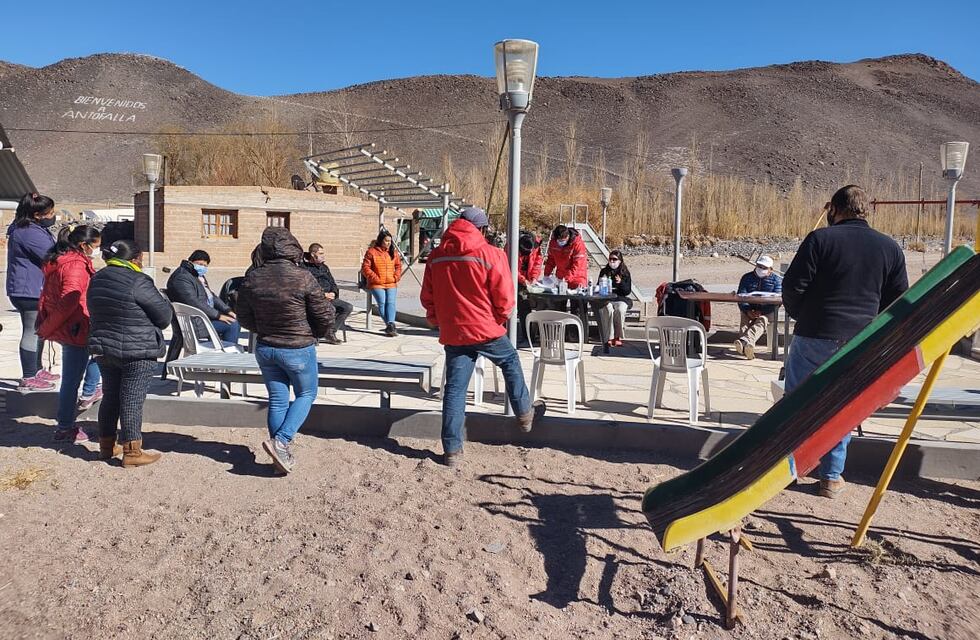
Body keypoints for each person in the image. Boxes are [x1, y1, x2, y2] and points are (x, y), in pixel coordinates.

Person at [782, 185, 908, 498]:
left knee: (796, 406)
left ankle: (788, 471)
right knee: (841, 409)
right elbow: (898, 302)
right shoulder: (889, 248)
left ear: (835, 210)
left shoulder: (820, 240)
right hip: (859, 343)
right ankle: (831, 477)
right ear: (867, 212)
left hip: (813, 336)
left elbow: (792, 287)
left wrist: (805, 315)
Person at [421, 207, 546, 467]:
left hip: (454, 332)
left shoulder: (436, 255)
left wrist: (438, 319)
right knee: (510, 360)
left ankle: (452, 451)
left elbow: (428, 297)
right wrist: (499, 319)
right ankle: (524, 413)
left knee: (454, 391)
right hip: (484, 328)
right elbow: (504, 297)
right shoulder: (490, 254)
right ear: (482, 229)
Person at [237, 227, 334, 474]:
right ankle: (281, 441)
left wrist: (264, 327)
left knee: (278, 400)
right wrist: (318, 333)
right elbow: (323, 315)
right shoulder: (303, 277)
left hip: (267, 347)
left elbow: (244, 318)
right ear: (293, 247)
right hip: (297, 348)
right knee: (307, 394)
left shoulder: (253, 277)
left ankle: (278, 456)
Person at [87, 239, 173, 467]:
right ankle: (132, 452)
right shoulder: (138, 280)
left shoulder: (97, 278)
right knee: (132, 400)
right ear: (135, 259)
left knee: (111, 397)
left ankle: (106, 446)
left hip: (104, 348)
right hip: (138, 350)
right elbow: (164, 316)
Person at [36, 225, 103, 442]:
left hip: (77, 326)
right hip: (75, 328)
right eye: (95, 246)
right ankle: (65, 426)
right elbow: (69, 301)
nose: (96, 250)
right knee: (71, 380)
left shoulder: (63, 260)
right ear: (84, 245)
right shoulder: (75, 266)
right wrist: (47, 328)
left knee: (94, 359)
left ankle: (90, 392)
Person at [5, 192, 58, 389]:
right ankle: (28, 376)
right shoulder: (28, 232)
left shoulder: (30, 228)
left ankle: (36, 369)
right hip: (28, 290)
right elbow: (51, 255)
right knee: (31, 331)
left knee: (39, 330)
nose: (53, 215)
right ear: (37, 215)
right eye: (50, 212)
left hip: (34, 287)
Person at [166, 249, 241, 345]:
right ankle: (229, 355)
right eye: (200, 264)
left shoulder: (196, 275)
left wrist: (228, 311)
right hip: (194, 323)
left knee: (233, 319)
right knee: (232, 325)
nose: (202, 267)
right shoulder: (182, 277)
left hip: (202, 318)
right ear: (191, 262)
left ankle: (221, 350)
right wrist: (218, 316)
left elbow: (211, 296)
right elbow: (193, 302)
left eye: (205, 265)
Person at [734, 255, 783, 360]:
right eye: (759, 266)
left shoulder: (776, 281)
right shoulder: (746, 278)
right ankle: (748, 347)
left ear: (771, 269)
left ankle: (743, 342)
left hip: (768, 311)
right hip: (749, 308)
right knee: (744, 319)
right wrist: (747, 310)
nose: (761, 269)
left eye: (764, 267)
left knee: (762, 320)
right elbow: (741, 296)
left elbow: (777, 301)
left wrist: (761, 311)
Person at [302, 242, 350, 344]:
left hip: (329, 297)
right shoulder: (304, 268)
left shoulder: (324, 268)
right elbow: (307, 287)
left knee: (347, 307)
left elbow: (333, 283)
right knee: (326, 309)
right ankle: (314, 333)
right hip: (315, 299)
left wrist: (333, 292)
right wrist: (323, 295)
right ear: (313, 255)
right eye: (320, 254)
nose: (323, 256)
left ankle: (330, 332)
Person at [361, 229, 402, 337]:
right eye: (386, 241)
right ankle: (390, 325)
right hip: (377, 283)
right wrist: (374, 278)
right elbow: (365, 267)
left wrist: (396, 276)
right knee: (382, 303)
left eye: (390, 241)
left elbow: (398, 266)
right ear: (381, 240)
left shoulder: (393, 252)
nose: (388, 243)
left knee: (391, 303)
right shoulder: (371, 252)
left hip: (391, 282)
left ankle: (390, 324)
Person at [596, 250, 633, 347]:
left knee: (620, 309)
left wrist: (621, 282)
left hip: (620, 298)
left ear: (620, 261)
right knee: (608, 309)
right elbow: (598, 287)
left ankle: (617, 337)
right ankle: (609, 337)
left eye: (614, 259)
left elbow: (627, 291)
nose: (612, 261)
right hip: (607, 298)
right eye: (610, 259)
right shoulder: (604, 272)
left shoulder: (625, 273)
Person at [516, 232, 543, 345]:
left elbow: (537, 262)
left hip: (530, 280)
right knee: (523, 305)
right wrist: (523, 280)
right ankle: (526, 335)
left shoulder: (536, 246)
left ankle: (533, 334)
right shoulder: (512, 246)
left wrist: (534, 278)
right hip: (516, 279)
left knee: (538, 303)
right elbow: (511, 267)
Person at [543, 224, 588, 289]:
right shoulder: (553, 243)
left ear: (568, 236)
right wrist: (546, 275)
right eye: (559, 240)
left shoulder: (577, 244)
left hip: (577, 278)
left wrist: (566, 279)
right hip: (560, 277)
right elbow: (551, 260)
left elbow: (577, 265)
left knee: (576, 297)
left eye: (563, 240)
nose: (561, 242)